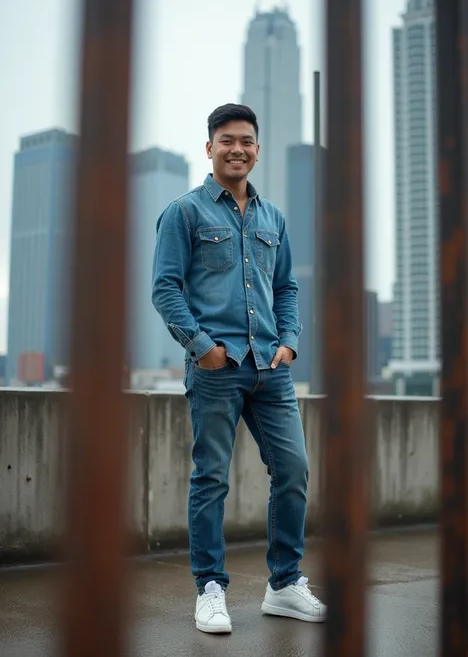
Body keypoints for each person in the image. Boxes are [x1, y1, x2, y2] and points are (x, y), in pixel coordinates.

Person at [152, 103, 326, 633]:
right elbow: (165, 289)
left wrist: (291, 343)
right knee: (211, 479)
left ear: (257, 148)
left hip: (270, 368)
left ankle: (284, 583)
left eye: (247, 140)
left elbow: (288, 289)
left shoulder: (273, 218)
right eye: (226, 140)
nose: (237, 149)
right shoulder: (184, 212)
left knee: (293, 469)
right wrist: (202, 346)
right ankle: (210, 588)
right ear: (209, 148)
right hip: (216, 367)